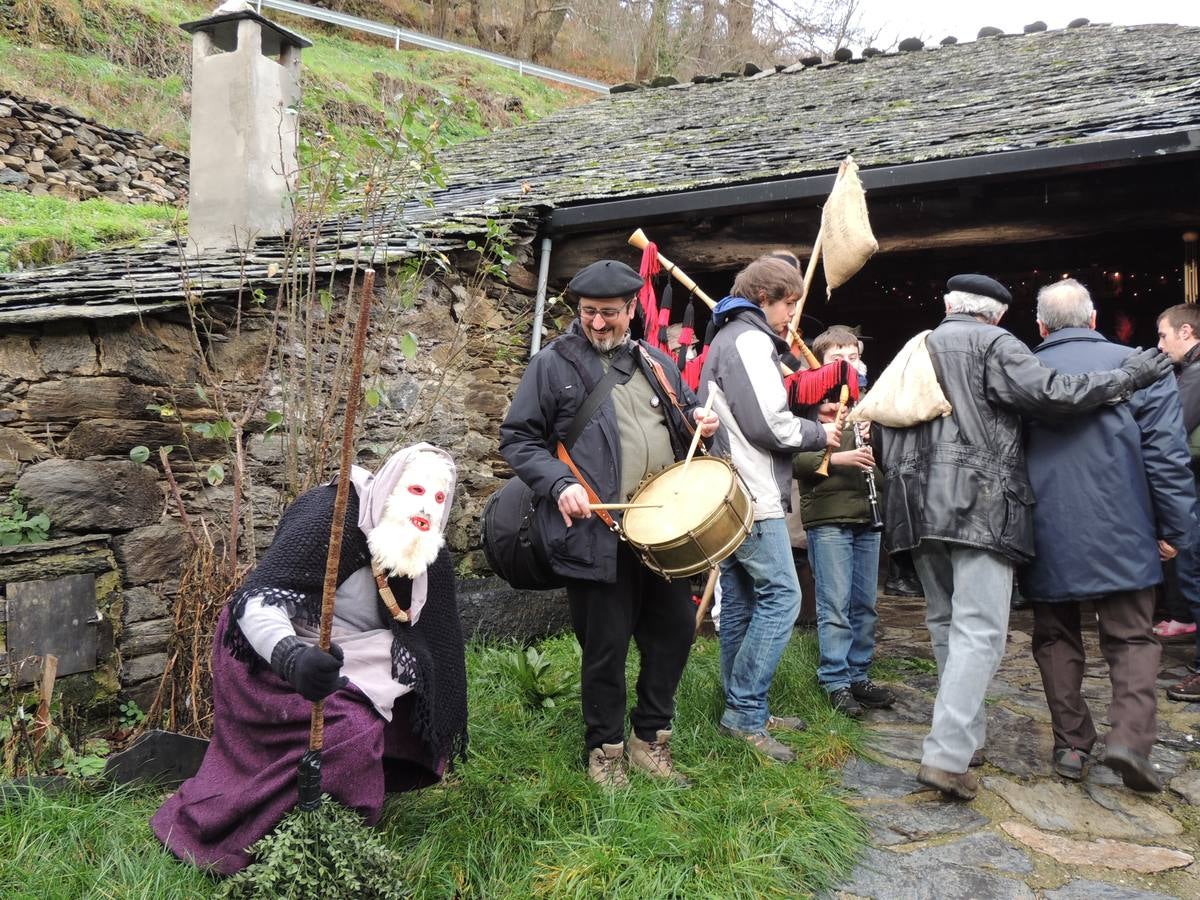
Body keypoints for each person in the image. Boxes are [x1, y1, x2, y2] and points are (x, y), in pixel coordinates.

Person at [878, 273, 1173, 801]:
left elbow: (882, 426)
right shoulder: (993, 342)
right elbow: (1055, 394)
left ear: (950, 306)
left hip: (915, 510)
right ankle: (946, 756)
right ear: (995, 315)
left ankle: (963, 742)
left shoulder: (913, 347)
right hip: (976, 507)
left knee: (947, 625)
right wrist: (1129, 375)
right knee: (979, 632)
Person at [152, 444, 469, 874]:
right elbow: (258, 602)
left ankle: (332, 824)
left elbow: (436, 645)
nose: (426, 507)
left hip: (355, 656)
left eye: (437, 498)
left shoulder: (427, 553)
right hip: (268, 653)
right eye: (416, 489)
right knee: (348, 735)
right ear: (391, 487)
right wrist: (292, 659)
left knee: (415, 686)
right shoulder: (331, 516)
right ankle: (262, 837)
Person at [499, 259, 720, 788]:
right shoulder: (552, 365)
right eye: (589, 313)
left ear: (631, 311)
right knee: (606, 649)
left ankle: (651, 740)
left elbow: (685, 420)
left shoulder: (657, 363)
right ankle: (605, 750)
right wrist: (558, 484)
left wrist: (700, 423)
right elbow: (519, 439)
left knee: (672, 636)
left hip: (662, 535)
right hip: (597, 534)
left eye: (611, 314)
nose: (598, 324)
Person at [1020, 280, 1195, 791]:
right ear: (1094, 320)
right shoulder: (1145, 368)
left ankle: (1071, 746)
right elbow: (1167, 456)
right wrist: (1176, 528)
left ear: (1041, 326)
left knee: (1055, 637)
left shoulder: (1024, 369)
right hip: (1126, 525)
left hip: (1046, 527)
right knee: (1132, 640)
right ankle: (1130, 741)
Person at [698, 256, 840, 763]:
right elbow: (768, 426)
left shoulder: (723, 338)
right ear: (764, 297)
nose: (791, 316)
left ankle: (743, 706)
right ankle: (745, 713)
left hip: (728, 492)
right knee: (782, 597)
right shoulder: (751, 340)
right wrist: (819, 433)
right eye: (788, 303)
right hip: (751, 493)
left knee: (739, 601)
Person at [794, 326, 895, 718]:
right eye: (839, 359)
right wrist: (838, 458)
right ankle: (835, 680)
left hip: (867, 513)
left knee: (864, 603)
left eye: (853, 357)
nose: (848, 365)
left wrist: (876, 436)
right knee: (834, 604)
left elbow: (888, 461)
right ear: (820, 362)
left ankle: (859, 675)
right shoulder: (806, 403)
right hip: (829, 514)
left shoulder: (866, 403)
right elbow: (794, 460)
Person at [1157, 304, 1200, 701]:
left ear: (1186, 332)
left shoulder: (1195, 374)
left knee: (1194, 571)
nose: (1160, 344)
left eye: (1164, 336)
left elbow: (1175, 428)